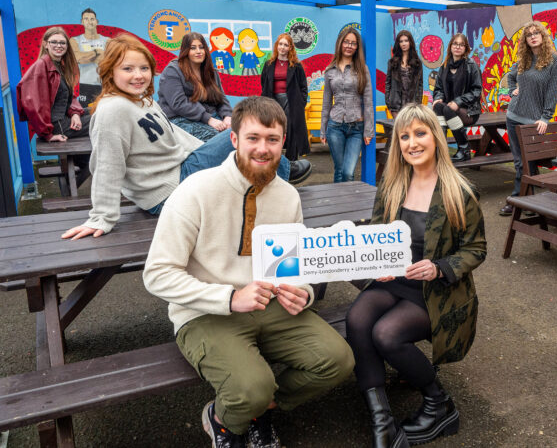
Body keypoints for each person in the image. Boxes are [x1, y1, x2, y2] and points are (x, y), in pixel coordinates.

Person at [143, 97, 354, 448]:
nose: (263, 148)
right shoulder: (194, 191)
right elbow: (158, 274)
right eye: (253, 138)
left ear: (283, 142)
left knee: (338, 360)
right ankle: (224, 420)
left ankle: (258, 409)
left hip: (268, 303)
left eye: (272, 139)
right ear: (234, 139)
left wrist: (304, 290)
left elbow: (296, 261)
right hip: (204, 312)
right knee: (250, 387)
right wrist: (228, 297)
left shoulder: (287, 196)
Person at [346, 104, 486, 448]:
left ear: (436, 138)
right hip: (396, 281)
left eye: (420, 133)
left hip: (436, 291)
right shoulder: (393, 184)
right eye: (404, 136)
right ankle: (382, 420)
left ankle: (440, 403)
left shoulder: (459, 191)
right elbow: (377, 233)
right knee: (357, 317)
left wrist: (440, 267)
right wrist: (372, 260)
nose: (412, 143)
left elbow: (476, 248)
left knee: (387, 334)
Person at [61, 34, 292, 240]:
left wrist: (209, 151)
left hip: (183, 167)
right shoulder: (113, 110)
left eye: (144, 68)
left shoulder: (142, 100)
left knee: (266, 156)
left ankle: (276, 190)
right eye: (128, 69)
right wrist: (102, 216)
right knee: (248, 132)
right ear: (110, 70)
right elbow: (106, 164)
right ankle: (275, 203)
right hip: (170, 189)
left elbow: (175, 134)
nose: (138, 76)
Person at [499, 21, 557, 216]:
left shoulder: (554, 61)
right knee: (519, 162)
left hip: (534, 121)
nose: (533, 36)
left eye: (536, 33)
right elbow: (510, 76)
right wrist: (512, 91)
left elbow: (553, 91)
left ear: (543, 36)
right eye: (529, 34)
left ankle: (523, 201)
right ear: (525, 40)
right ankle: (522, 200)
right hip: (514, 115)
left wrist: (546, 117)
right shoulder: (524, 59)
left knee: (531, 162)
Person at [17, 26, 92, 186]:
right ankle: (86, 164)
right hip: (57, 125)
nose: (59, 45)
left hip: (64, 118)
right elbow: (32, 103)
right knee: (103, 119)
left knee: (99, 109)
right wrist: (48, 134)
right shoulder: (40, 67)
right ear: (45, 44)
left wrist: (75, 113)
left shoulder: (58, 65)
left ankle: (82, 163)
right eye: (54, 42)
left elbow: (68, 97)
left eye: (62, 43)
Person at [320, 27, 374, 182]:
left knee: (348, 172)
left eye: (353, 43)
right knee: (338, 170)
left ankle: (347, 203)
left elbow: (368, 101)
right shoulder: (330, 71)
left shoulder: (363, 69)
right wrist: (323, 130)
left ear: (357, 47)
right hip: (335, 126)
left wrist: (368, 131)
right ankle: (340, 205)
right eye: (346, 42)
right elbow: (326, 103)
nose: (349, 46)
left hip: (356, 128)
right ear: (340, 43)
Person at [157, 32, 234, 142]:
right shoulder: (173, 70)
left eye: (201, 47)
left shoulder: (210, 71)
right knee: (215, 138)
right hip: (179, 118)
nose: (198, 51)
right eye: (193, 48)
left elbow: (220, 98)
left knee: (238, 134)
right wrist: (208, 119)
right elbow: (178, 103)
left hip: (210, 116)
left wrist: (227, 116)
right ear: (185, 51)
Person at [432, 33, 482, 162]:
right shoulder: (444, 66)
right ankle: (441, 150)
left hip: (469, 111)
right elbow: (438, 88)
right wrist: (438, 97)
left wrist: (458, 102)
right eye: (455, 44)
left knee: (448, 109)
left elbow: (476, 91)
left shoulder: (471, 66)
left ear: (465, 48)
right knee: (438, 106)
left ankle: (464, 149)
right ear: (451, 46)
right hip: (449, 108)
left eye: (461, 44)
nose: (458, 47)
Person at [260, 33, 310, 162]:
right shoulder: (269, 64)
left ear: (290, 48)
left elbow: (303, 87)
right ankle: (273, 160)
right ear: (277, 46)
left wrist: (300, 103)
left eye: (286, 45)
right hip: (273, 101)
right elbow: (263, 83)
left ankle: (291, 161)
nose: (282, 47)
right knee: (275, 128)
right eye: (280, 44)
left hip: (291, 101)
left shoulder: (296, 66)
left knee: (291, 129)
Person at [70, 8, 109, 108]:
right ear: (82, 22)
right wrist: (97, 52)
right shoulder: (75, 40)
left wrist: (87, 56)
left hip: (105, 84)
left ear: (97, 22)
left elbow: (111, 60)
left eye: (92, 19)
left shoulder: (107, 40)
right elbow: (78, 59)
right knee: (87, 116)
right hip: (86, 85)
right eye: (86, 19)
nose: (89, 21)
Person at [385, 30, 423, 117]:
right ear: (398, 44)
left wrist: (418, 104)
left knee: (409, 128)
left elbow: (420, 85)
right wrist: (388, 101)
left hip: (411, 105)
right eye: (401, 41)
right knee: (400, 129)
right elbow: (388, 83)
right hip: (395, 105)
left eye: (406, 41)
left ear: (410, 42)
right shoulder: (392, 62)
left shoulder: (417, 63)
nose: (403, 44)